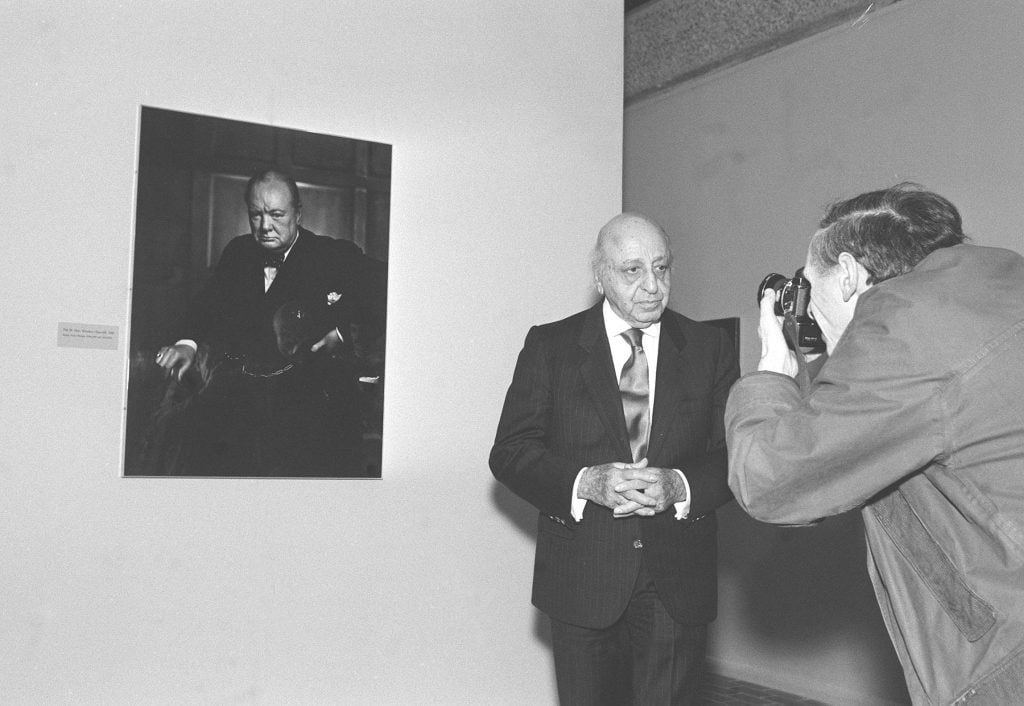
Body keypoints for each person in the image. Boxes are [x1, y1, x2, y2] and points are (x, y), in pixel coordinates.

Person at [725, 184, 1024, 704]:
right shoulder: (999, 285)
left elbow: (770, 481)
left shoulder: (908, 329)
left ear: (847, 274)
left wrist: (771, 374)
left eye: (810, 292)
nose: (811, 316)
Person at [490, 213, 739, 705]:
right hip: (583, 577)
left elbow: (736, 455)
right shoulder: (551, 346)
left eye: (662, 268)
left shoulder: (710, 348)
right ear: (599, 275)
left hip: (677, 579)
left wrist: (680, 487)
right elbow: (511, 451)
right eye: (632, 271)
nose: (652, 286)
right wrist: (584, 483)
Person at [150, 169, 386, 476]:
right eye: (256, 215)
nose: (265, 226)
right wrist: (187, 344)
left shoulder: (333, 255)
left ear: (298, 214)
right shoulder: (238, 252)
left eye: (276, 215)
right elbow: (207, 303)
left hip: (311, 409)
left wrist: (342, 334)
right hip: (246, 405)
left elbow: (388, 293)